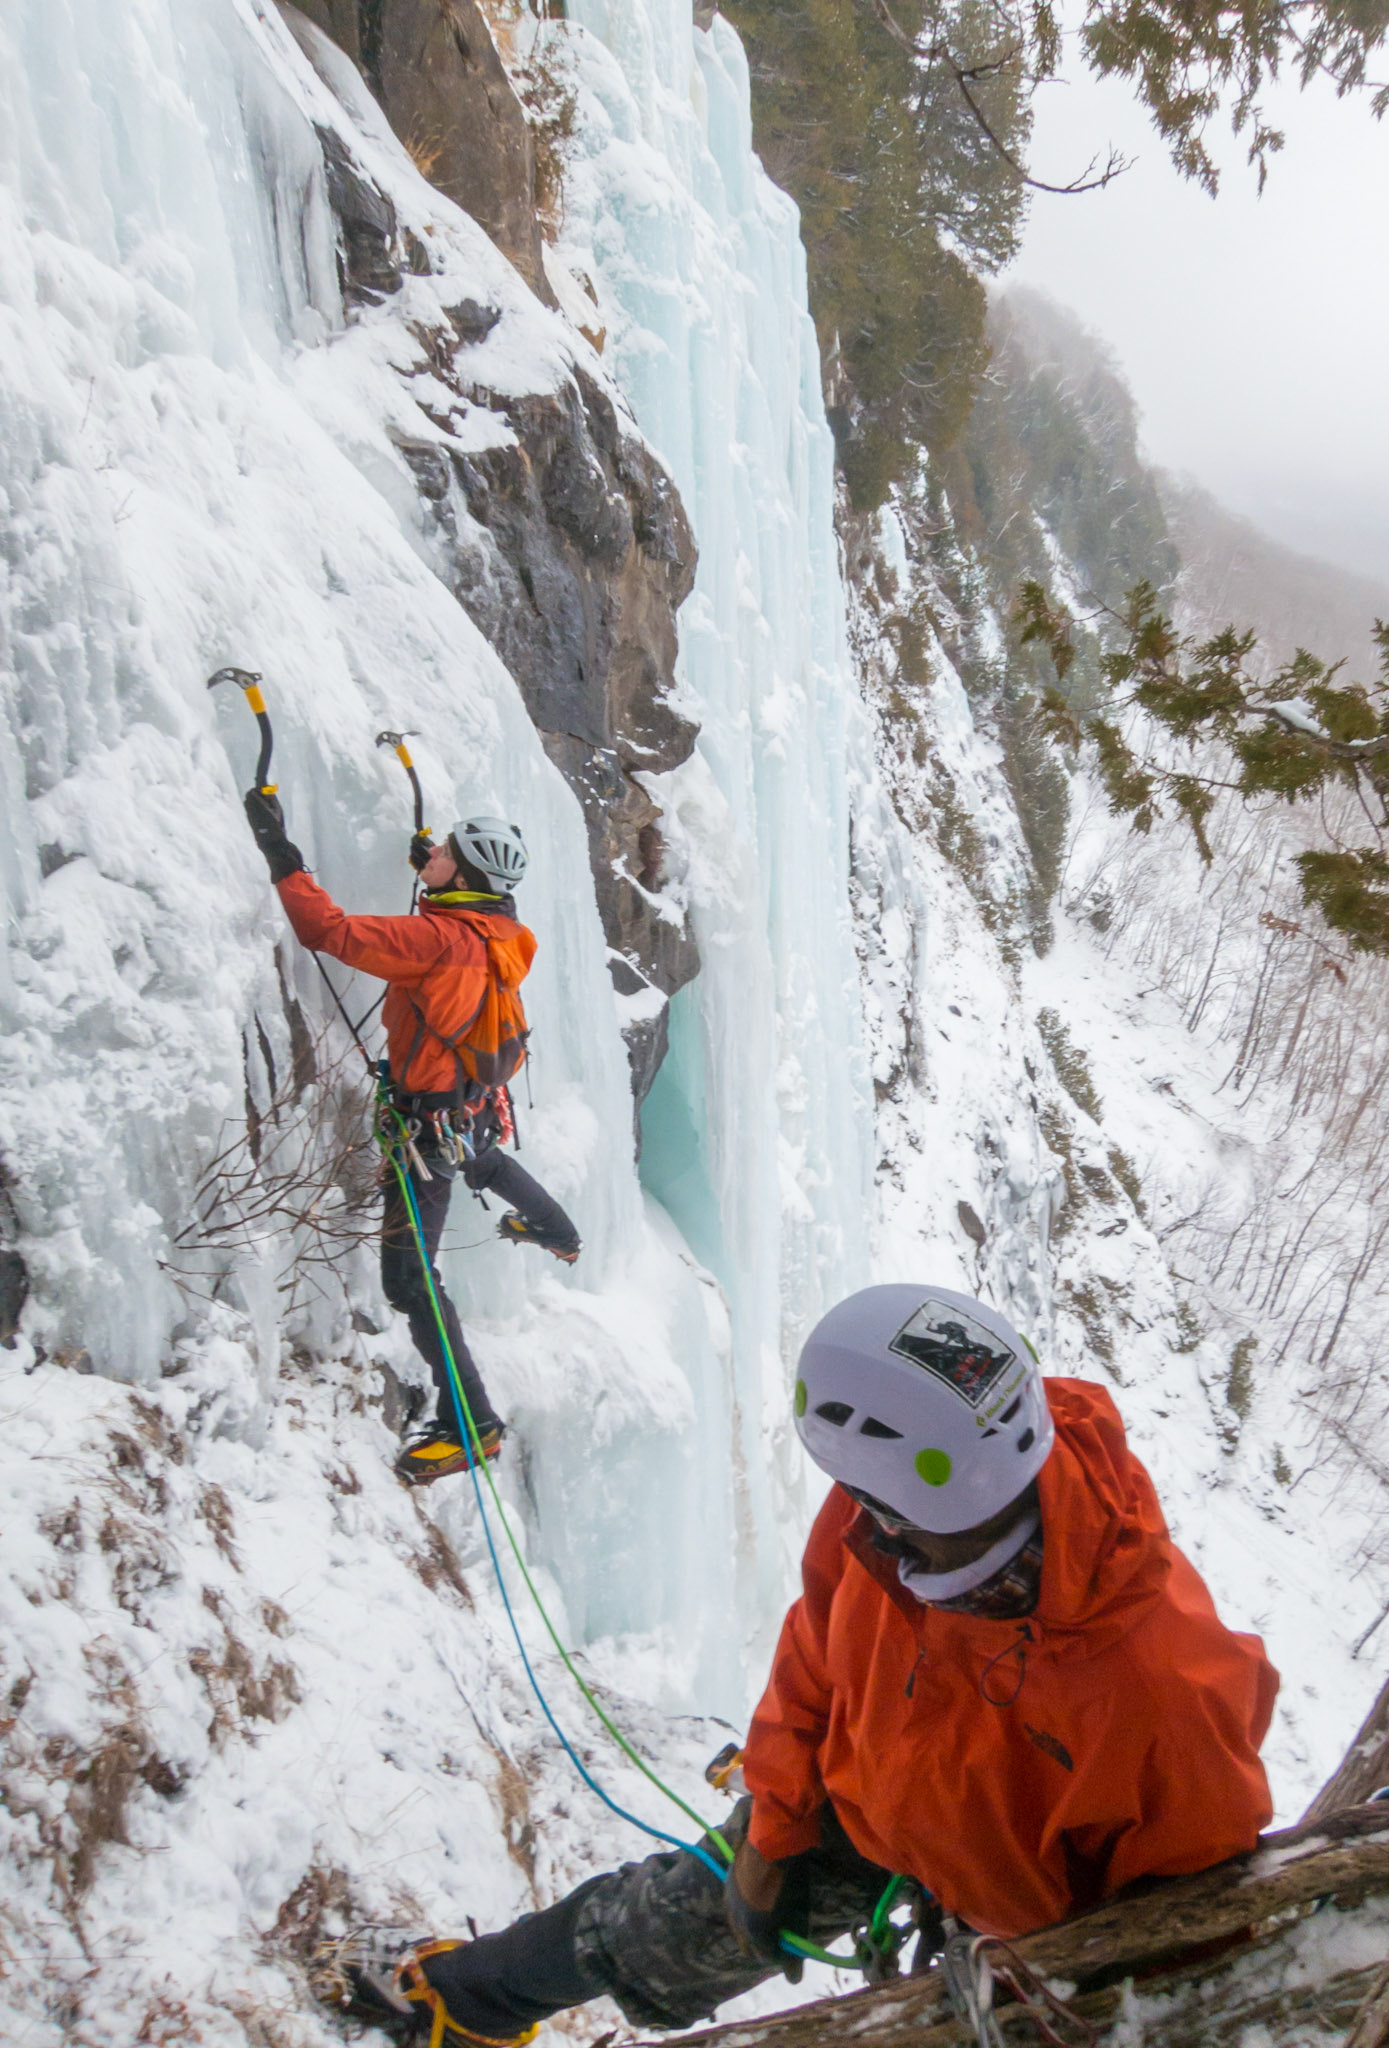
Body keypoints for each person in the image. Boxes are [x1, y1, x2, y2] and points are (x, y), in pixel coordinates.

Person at [325, 1284, 1279, 2045]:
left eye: (867, 1496)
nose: (851, 1512)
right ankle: (456, 2003)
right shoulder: (886, 1526)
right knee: (649, 1925)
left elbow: (1184, 1936)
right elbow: (814, 1664)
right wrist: (774, 1836)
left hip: (1030, 1935)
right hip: (857, 1809)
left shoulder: (1159, 1693)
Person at [244, 791, 581, 1486]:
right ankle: (557, 1228)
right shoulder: (501, 933)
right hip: (470, 1105)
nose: (434, 857)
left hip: (429, 1123)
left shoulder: (435, 942)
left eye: (445, 855)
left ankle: (473, 1425)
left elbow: (326, 930)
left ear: (463, 880)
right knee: (480, 1159)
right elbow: (467, 900)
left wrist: (283, 854)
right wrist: (433, 866)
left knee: (408, 1280)